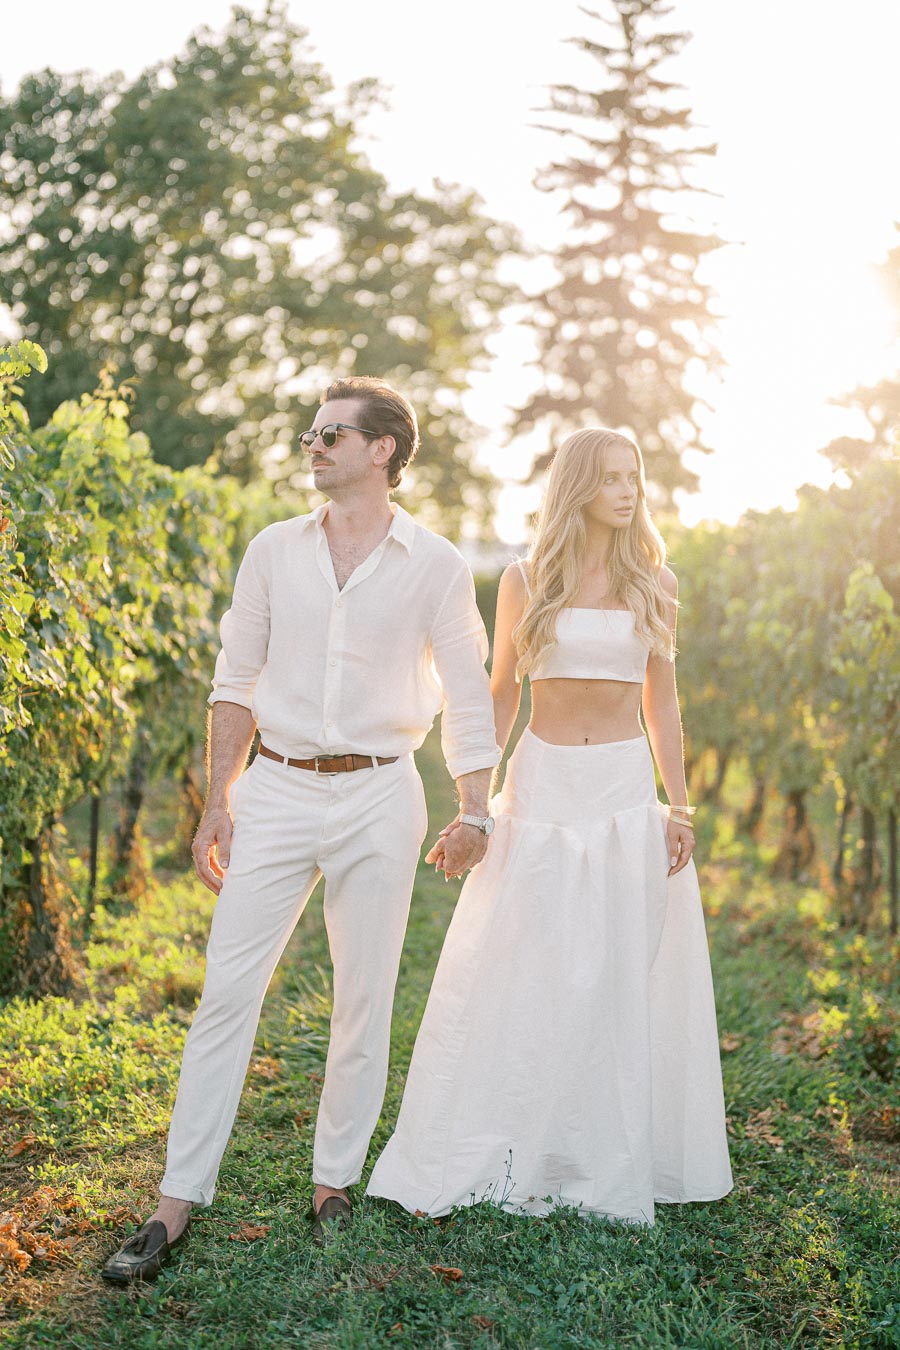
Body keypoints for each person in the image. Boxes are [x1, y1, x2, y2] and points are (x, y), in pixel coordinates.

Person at [103, 377, 501, 1281]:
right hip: (276, 791)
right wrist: (217, 800)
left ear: (384, 451)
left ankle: (333, 1187)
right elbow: (234, 680)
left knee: (365, 999)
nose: (312, 447)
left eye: (331, 435)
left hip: (379, 793)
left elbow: (468, 698)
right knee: (225, 994)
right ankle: (173, 1204)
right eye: (311, 435)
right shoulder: (273, 551)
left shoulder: (434, 563)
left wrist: (475, 807)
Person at [367, 427, 733, 1225]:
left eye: (633, 476)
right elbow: (502, 692)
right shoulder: (527, 580)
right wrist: (477, 803)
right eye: (609, 479)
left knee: (614, 966)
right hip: (541, 785)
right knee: (529, 959)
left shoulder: (656, 582)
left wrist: (678, 803)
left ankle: (603, 1150)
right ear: (578, 488)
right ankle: (517, 1137)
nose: (627, 491)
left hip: (623, 791)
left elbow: (662, 703)